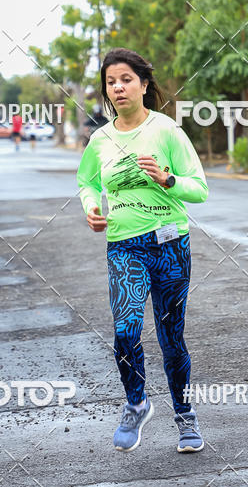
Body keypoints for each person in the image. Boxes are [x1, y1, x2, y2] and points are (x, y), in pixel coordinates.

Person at [77, 48, 208, 453]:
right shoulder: (100, 140)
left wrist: (168, 180)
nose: (118, 87)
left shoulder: (167, 130)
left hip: (170, 245)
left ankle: (186, 417)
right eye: (111, 82)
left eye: (126, 79)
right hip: (124, 248)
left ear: (144, 85)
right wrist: (92, 209)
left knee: (172, 338)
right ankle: (136, 402)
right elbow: (86, 183)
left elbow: (200, 189)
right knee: (125, 331)